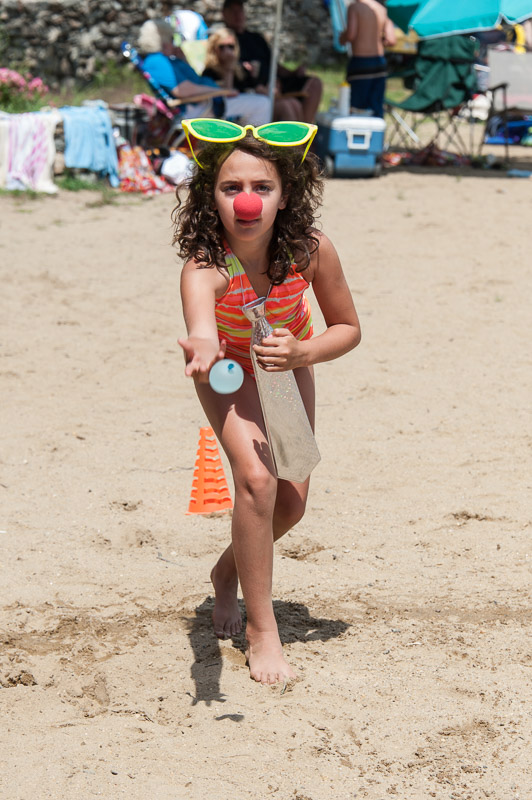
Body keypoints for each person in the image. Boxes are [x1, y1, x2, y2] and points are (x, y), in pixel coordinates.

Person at [172, 122, 361, 685]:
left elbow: (348, 328)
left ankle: (226, 571)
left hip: (288, 368)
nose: (247, 200)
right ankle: (262, 629)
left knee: (290, 505)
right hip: (226, 371)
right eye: (231, 187)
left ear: (286, 194)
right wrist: (203, 345)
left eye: (262, 187)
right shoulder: (204, 265)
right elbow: (201, 323)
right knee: (257, 482)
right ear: (210, 195)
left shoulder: (310, 250)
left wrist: (304, 351)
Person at [137, 19, 270, 126]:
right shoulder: (157, 61)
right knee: (262, 104)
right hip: (202, 106)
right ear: (164, 41)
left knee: (258, 102)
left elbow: (191, 80)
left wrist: (183, 60)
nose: (174, 43)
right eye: (172, 39)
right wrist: (220, 91)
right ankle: (253, 146)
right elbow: (183, 90)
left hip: (206, 102)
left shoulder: (166, 60)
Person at [222, 0, 323, 123]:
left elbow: (274, 65)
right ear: (224, 14)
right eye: (233, 11)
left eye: (240, 10)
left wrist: (291, 73)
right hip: (252, 90)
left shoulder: (256, 39)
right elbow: (227, 71)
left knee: (314, 84)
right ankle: (300, 134)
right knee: (289, 106)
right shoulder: (225, 42)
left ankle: (306, 131)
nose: (238, 15)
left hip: (273, 83)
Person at [340, 0, 397, 117]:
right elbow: (391, 40)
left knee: (356, 108)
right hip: (379, 63)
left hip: (361, 62)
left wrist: (342, 37)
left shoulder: (355, 7)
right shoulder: (382, 10)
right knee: (376, 107)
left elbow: (351, 34)